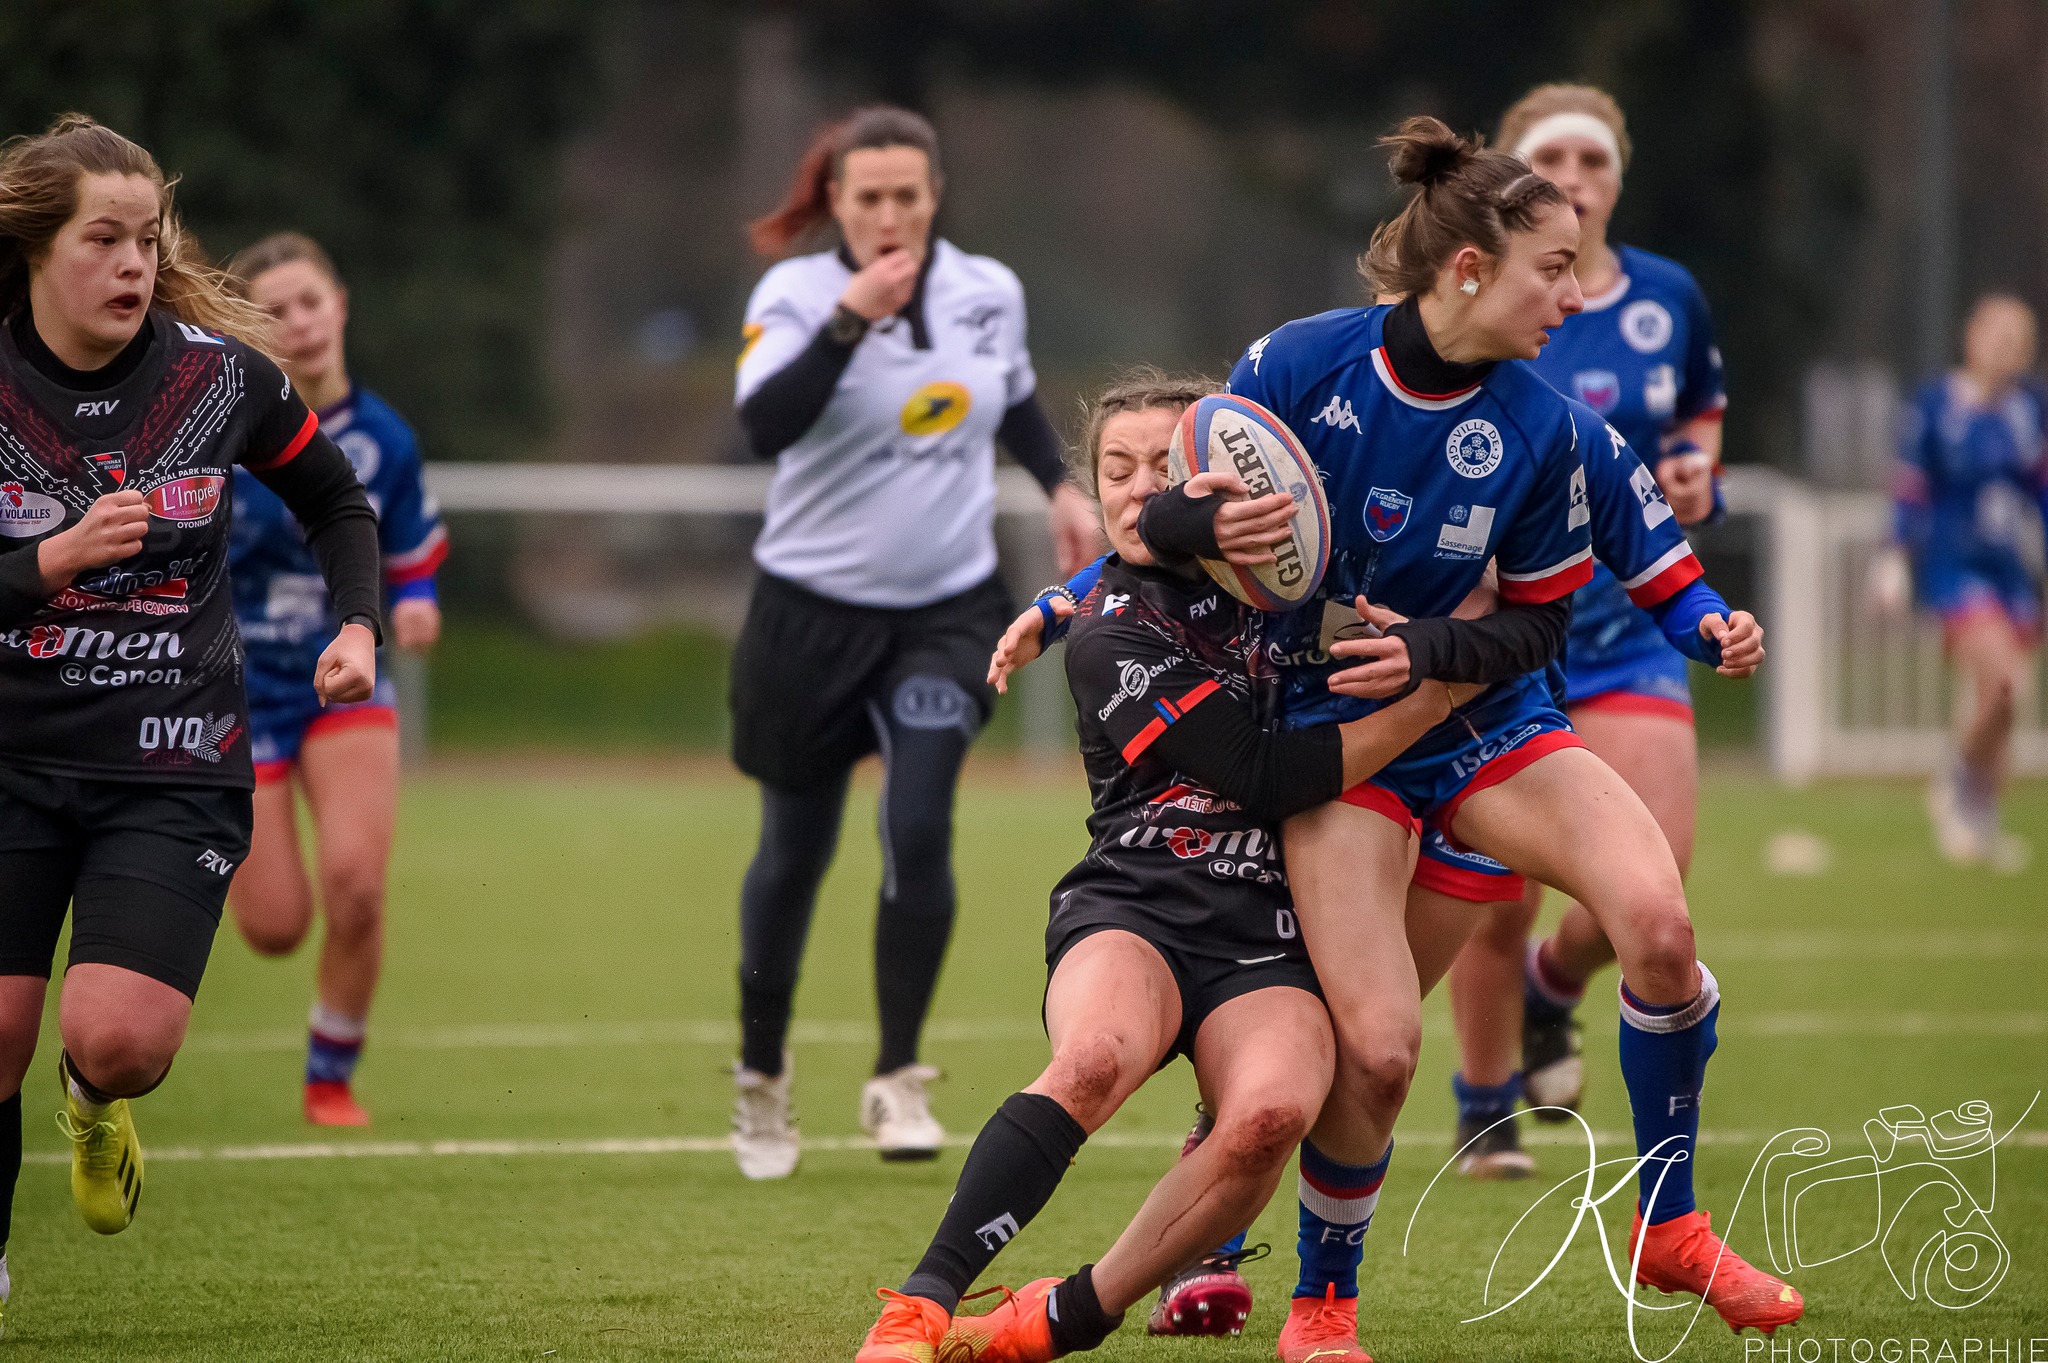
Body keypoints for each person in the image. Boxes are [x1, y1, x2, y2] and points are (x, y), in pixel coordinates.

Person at [1135, 118, 1803, 1356]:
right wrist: (1209, 522)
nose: (1570, 288)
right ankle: (1319, 1301)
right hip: (1342, 741)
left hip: (1481, 719)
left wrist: (1450, 647)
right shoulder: (1298, 366)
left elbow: (1538, 627)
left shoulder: (1540, 428)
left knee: (1654, 921)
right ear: (1465, 270)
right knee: (1377, 1050)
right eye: (1548, 268)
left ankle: (1668, 1223)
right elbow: (1165, 516)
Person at [853, 371, 1475, 1363]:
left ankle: (1064, 1316)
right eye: (1116, 470)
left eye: (1163, 465)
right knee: (1093, 1058)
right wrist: (1431, 701)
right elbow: (1264, 776)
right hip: (1134, 908)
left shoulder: (1297, 596)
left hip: (1269, 936)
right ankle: (918, 1306)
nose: (1141, 490)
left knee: (1271, 1112)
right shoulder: (1109, 630)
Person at [0, 115, 381, 1314]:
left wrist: (357, 623)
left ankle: (93, 1099)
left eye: (144, 240)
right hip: (11, 755)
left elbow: (336, 501)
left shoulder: (218, 376)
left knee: (119, 1040)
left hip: (171, 755)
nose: (129, 264)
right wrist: (45, 564)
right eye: (100, 239)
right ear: (35, 251)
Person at [728, 106, 1099, 1178]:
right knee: (793, 852)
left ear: (934, 196)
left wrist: (1061, 485)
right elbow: (766, 428)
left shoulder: (989, 290)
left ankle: (895, 1076)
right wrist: (849, 317)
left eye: (906, 195)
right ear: (836, 204)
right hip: (806, 614)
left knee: (919, 819)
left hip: (946, 610)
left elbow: (1015, 401)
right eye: (867, 198)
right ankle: (761, 1073)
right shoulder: (795, 295)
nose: (889, 215)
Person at [1441, 83, 1742, 1167]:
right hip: (1498, 635)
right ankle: (1484, 1103)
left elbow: (1698, 408)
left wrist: (1695, 469)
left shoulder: (1668, 296)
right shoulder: (1480, 301)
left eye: (1592, 160)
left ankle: (1552, 987)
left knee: (1654, 874)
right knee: (1496, 887)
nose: (1573, 178)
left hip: (1626, 630)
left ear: (1617, 174)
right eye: (1548, 161)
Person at [224, 232, 449, 1127]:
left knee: (357, 885)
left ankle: (330, 1071)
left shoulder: (385, 439)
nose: (300, 322)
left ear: (342, 305)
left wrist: (420, 600)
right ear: (252, 330)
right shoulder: (227, 429)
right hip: (234, 691)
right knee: (274, 925)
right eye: (275, 311)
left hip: (343, 682)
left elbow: (411, 554)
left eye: (311, 300)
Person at [1876, 292, 2044, 872]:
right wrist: (1894, 555)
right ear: (1971, 337)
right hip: (1954, 569)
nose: (2006, 351)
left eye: (2018, 341)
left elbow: (2039, 491)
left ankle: (1980, 819)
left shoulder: (2028, 412)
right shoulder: (1936, 405)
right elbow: (1911, 486)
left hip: (2010, 573)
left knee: (2006, 707)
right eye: (1996, 335)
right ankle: (1956, 777)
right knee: (2002, 684)